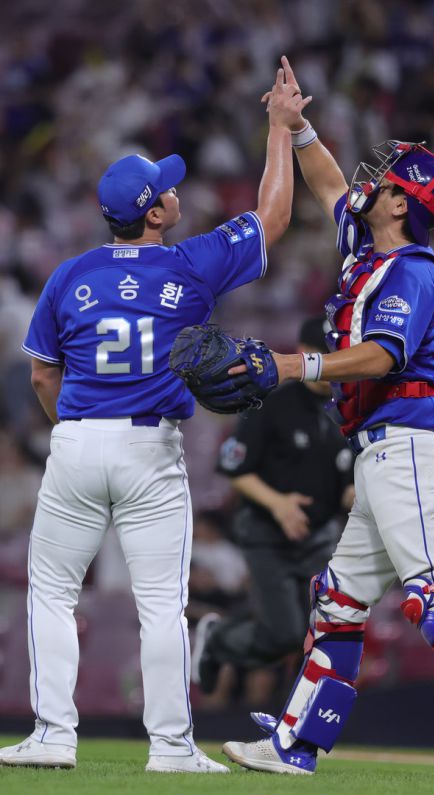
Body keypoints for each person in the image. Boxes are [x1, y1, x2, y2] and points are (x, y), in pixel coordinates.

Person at [222, 56, 434, 782]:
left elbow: (380, 357)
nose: (374, 180)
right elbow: (330, 183)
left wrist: (295, 365)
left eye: (390, 180)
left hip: (410, 451)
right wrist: (297, 128)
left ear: (401, 206)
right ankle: (297, 742)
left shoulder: (412, 272)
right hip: (384, 455)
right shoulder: (369, 248)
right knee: (338, 602)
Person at [0, 65, 312, 773]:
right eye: (166, 188)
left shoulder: (69, 275)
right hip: (150, 450)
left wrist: (71, 426)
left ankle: (53, 733)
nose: (175, 191)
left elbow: (44, 375)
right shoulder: (190, 266)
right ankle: (171, 746)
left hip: (78, 443)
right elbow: (272, 219)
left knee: (52, 592)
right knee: (161, 605)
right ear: (155, 214)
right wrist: (278, 129)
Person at [191, 316, 354, 696]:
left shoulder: (347, 409)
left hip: (319, 538)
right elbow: (234, 467)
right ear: (304, 352)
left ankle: (305, 713)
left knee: (318, 632)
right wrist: (278, 503)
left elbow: (348, 483)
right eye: (324, 353)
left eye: (339, 353)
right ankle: (219, 639)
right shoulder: (272, 403)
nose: (332, 362)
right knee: (284, 634)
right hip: (268, 534)